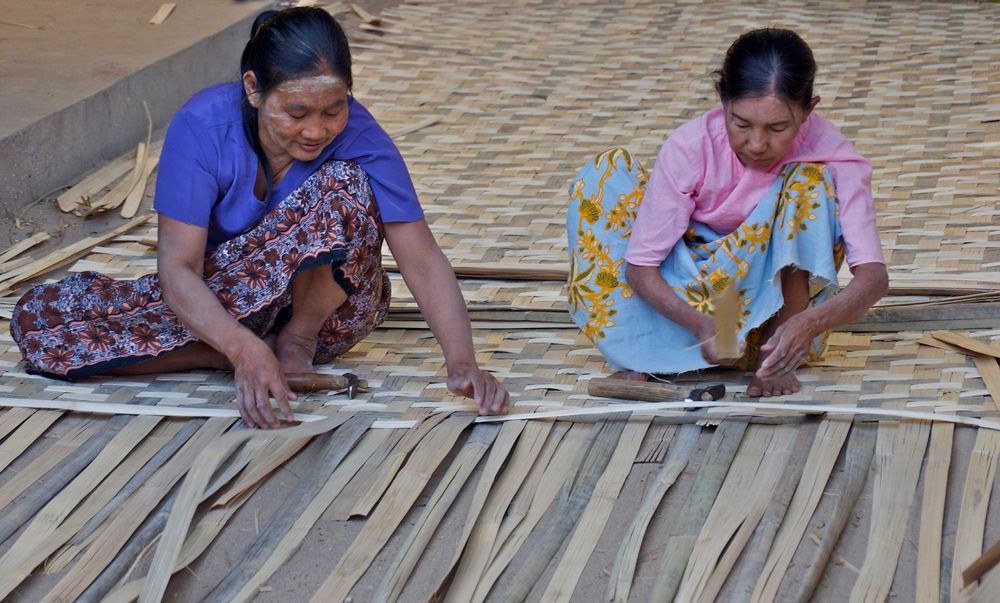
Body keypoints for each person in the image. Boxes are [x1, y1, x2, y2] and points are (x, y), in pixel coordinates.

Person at [11, 7, 509, 426]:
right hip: (227, 305)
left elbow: (420, 258)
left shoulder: (362, 137)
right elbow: (178, 268)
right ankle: (240, 351)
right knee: (41, 323)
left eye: (333, 109)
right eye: (296, 112)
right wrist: (241, 348)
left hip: (333, 316)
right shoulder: (203, 124)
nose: (317, 130)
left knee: (346, 186)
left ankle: (293, 343)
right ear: (253, 89)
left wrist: (461, 361)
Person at [566, 28, 889, 397]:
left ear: (808, 110)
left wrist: (808, 323)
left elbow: (874, 277)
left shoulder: (836, 157)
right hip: (694, 310)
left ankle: (774, 356)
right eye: (741, 123)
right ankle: (650, 355)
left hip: (772, 317)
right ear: (722, 97)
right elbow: (640, 266)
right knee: (604, 175)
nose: (756, 144)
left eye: (778, 127)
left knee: (810, 181)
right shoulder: (689, 147)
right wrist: (705, 326)